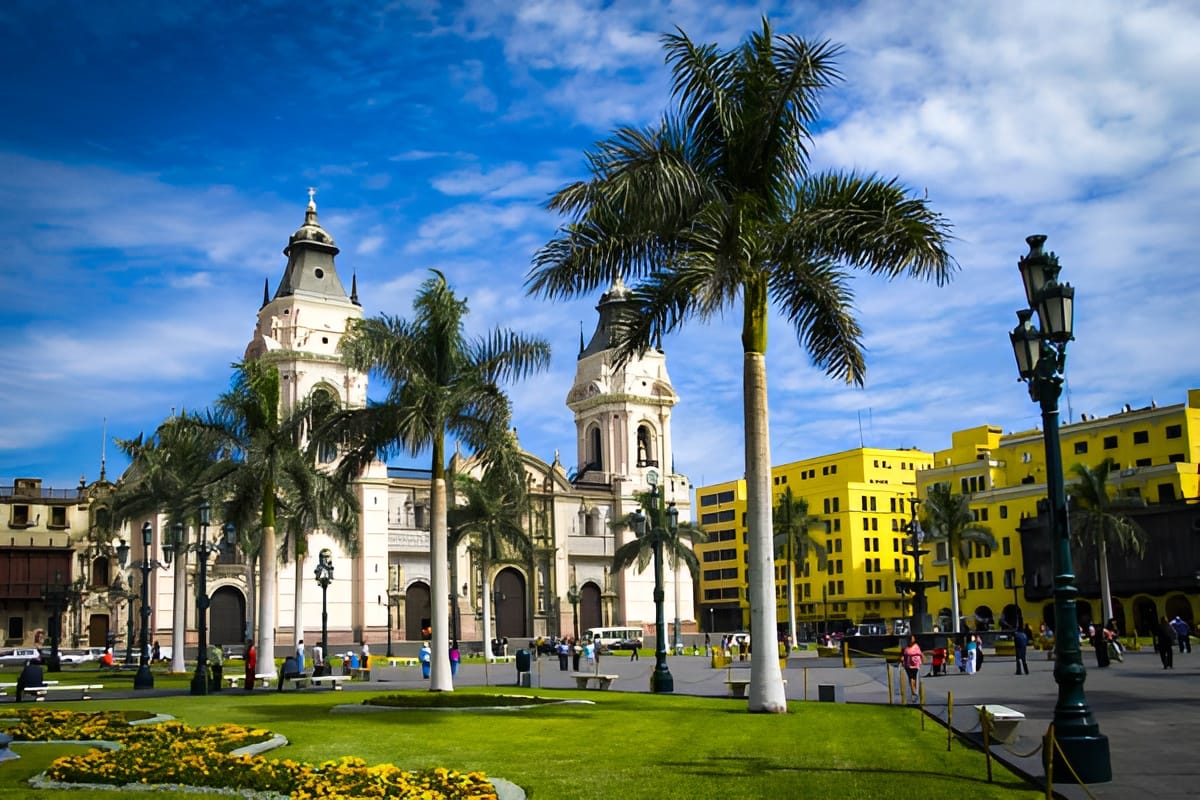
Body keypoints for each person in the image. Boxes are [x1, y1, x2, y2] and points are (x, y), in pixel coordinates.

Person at [900, 635, 922, 702]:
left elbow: (919, 653)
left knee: (914, 678)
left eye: (913, 638)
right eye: (911, 639)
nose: (912, 640)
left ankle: (914, 691)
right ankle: (913, 692)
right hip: (908, 664)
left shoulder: (916, 646)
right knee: (911, 677)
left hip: (915, 664)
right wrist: (902, 658)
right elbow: (903, 654)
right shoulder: (906, 647)